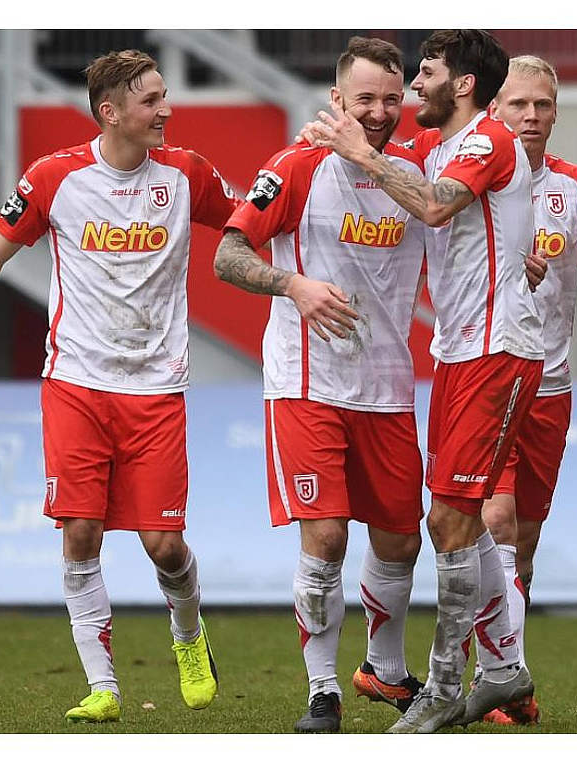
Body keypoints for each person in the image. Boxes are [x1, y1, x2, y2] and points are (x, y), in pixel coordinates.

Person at [0, 49, 237, 724]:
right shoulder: (54, 178)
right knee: (80, 533)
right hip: (75, 382)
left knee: (164, 547)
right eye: (152, 99)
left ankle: (189, 636)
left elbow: (251, 222)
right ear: (112, 112)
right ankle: (102, 685)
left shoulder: (187, 174)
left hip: (156, 389)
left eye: (165, 96)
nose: (167, 109)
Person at [304, 29, 546, 732]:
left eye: (428, 72)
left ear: (463, 84)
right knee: (457, 521)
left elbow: (437, 204)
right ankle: (505, 668)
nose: (415, 86)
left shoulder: (484, 141)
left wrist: (363, 153)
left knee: (448, 520)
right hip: (458, 355)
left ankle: (444, 685)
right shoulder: (443, 148)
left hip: (497, 351)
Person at [214, 36, 429, 734]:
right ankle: (321, 691)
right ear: (336, 100)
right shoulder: (295, 166)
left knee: (401, 538)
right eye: (364, 98)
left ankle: (384, 670)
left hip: (389, 386)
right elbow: (228, 253)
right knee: (328, 536)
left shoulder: (412, 174)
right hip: (307, 383)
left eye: (391, 99)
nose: (378, 111)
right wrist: (293, 284)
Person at [476, 54, 577, 726]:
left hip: (551, 384)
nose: (532, 117)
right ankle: (501, 678)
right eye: (519, 105)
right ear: (493, 108)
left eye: (543, 105)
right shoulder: (472, 179)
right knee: (495, 522)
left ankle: (502, 667)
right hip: (485, 379)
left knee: (525, 543)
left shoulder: (575, 186)